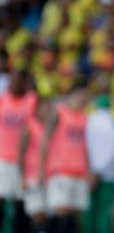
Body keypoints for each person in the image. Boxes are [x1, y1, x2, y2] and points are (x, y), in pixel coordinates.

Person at [40, 84, 92, 233]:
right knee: (60, 213)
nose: (87, 100)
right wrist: (42, 170)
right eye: (85, 95)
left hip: (79, 172)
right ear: (77, 93)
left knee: (75, 215)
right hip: (60, 171)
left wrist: (88, 171)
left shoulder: (84, 116)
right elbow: (45, 140)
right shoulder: (59, 112)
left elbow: (85, 146)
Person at [0, 70, 36, 233]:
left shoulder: (31, 101)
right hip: (3, 158)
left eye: (17, 81)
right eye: (11, 81)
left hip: (23, 161)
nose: (13, 84)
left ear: (24, 84)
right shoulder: (3, 100)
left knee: (21, 202)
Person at [83, 94, 114, 233]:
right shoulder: (113, 123)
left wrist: (93, 170)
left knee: (89, 210)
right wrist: (100, 170)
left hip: (90, 173)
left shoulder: (90, 120)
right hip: (108, 173)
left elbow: (86, 146)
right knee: (104, 212)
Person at [18, 97, 51, 232]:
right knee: (36, 213)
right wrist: (23, 177)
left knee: (45, 212)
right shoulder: (30, 126)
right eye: (43, 108)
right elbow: (21, 152)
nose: (46, 111)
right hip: (32, 174)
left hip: (48, 175)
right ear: (37, 109)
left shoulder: (51, 128)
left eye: (48, 109)